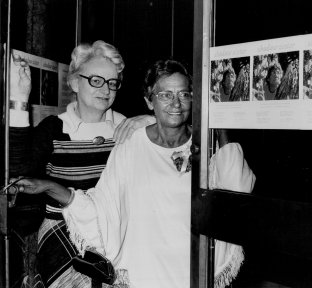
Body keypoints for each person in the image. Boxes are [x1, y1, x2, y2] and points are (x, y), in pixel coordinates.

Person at [11, 59, 256, 288]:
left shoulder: (205, 143)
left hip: (192, 267)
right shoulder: (131, 144)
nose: (176, 103)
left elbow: (236, 191)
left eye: (184, 94)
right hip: (147, 271)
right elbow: (103, 208)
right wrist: (50, 187)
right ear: (150, 101)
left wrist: (217, 115)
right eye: (165, 95)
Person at [9, 40, 155, 287]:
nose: (106, 89)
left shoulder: (127, 127)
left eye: (112, 83)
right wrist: (20, 99)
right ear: (75, 82)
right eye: (96, 80)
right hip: (65, 231)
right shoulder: (55, 128)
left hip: (116, 227)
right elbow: (18, 172)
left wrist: (152, 121)